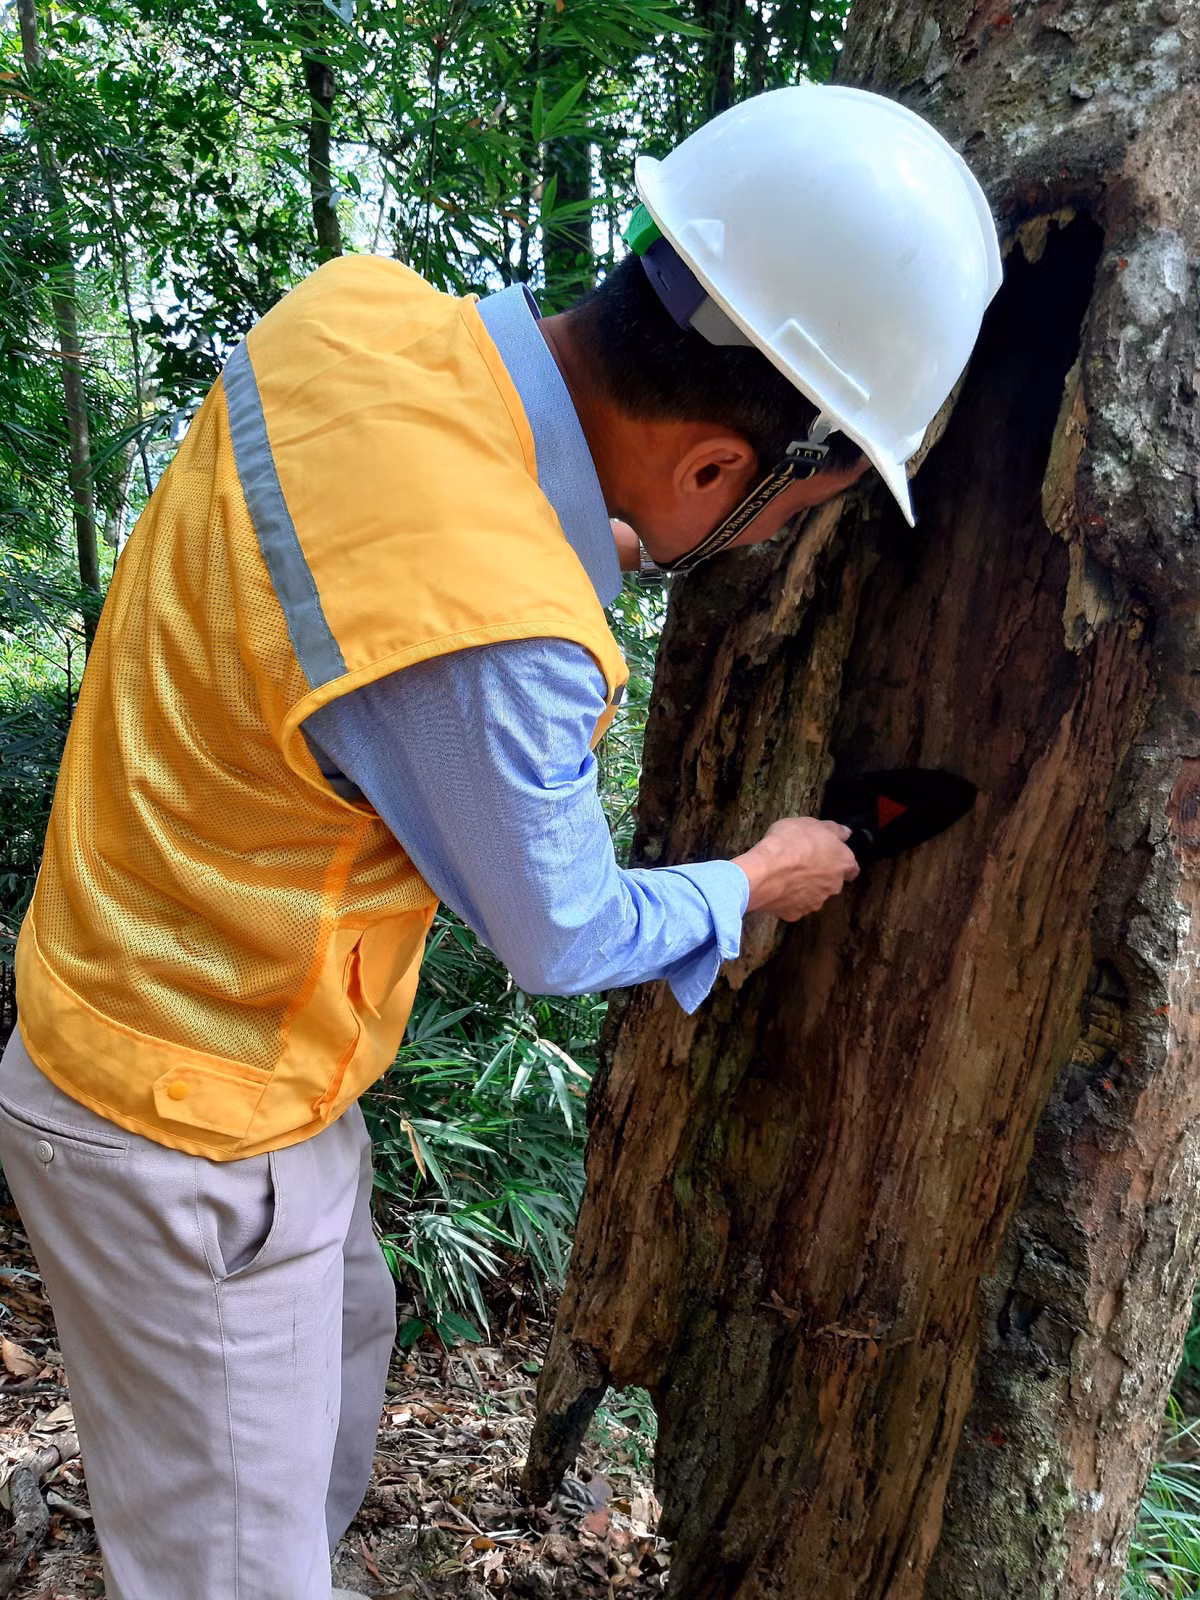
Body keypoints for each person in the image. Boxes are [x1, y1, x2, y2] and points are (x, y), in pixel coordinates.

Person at [0, 85, 1001, 1599]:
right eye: (792, 511)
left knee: (316, 1441)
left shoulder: (359, 320)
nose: (776, 540)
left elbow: (358, 574)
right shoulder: (500, 626)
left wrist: (552, 545)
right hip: (185, 1127)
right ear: (722, 472)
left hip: (206, 1042)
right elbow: (559, 930)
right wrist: (757, 881)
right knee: (228, 1576)